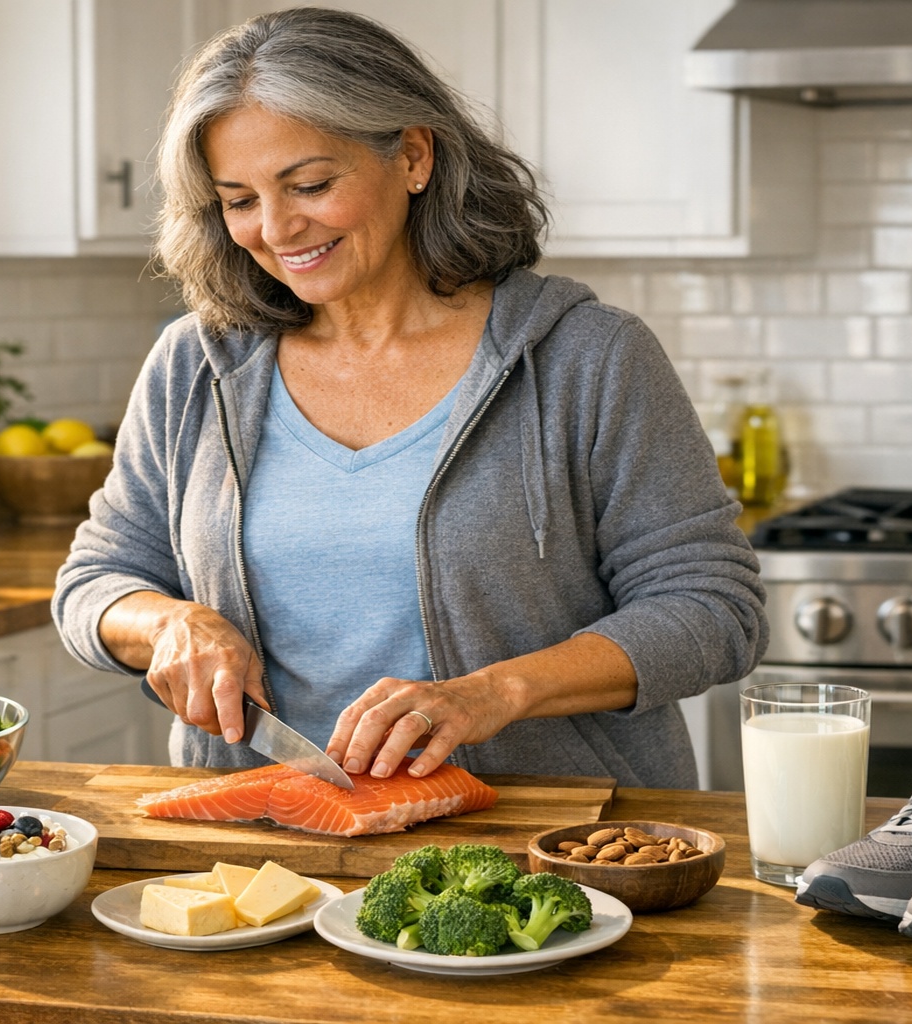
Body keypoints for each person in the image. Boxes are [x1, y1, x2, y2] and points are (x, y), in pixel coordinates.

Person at [53, 7, 766, 788]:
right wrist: (171, 623)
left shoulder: (585, 357)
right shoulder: (196, 364)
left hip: (550, 846)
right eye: (239, 199)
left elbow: (712, 608)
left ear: (414, 156)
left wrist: (492, 693)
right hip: (266, 852)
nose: (278, 228)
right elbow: (96, 581)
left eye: (311, 184)